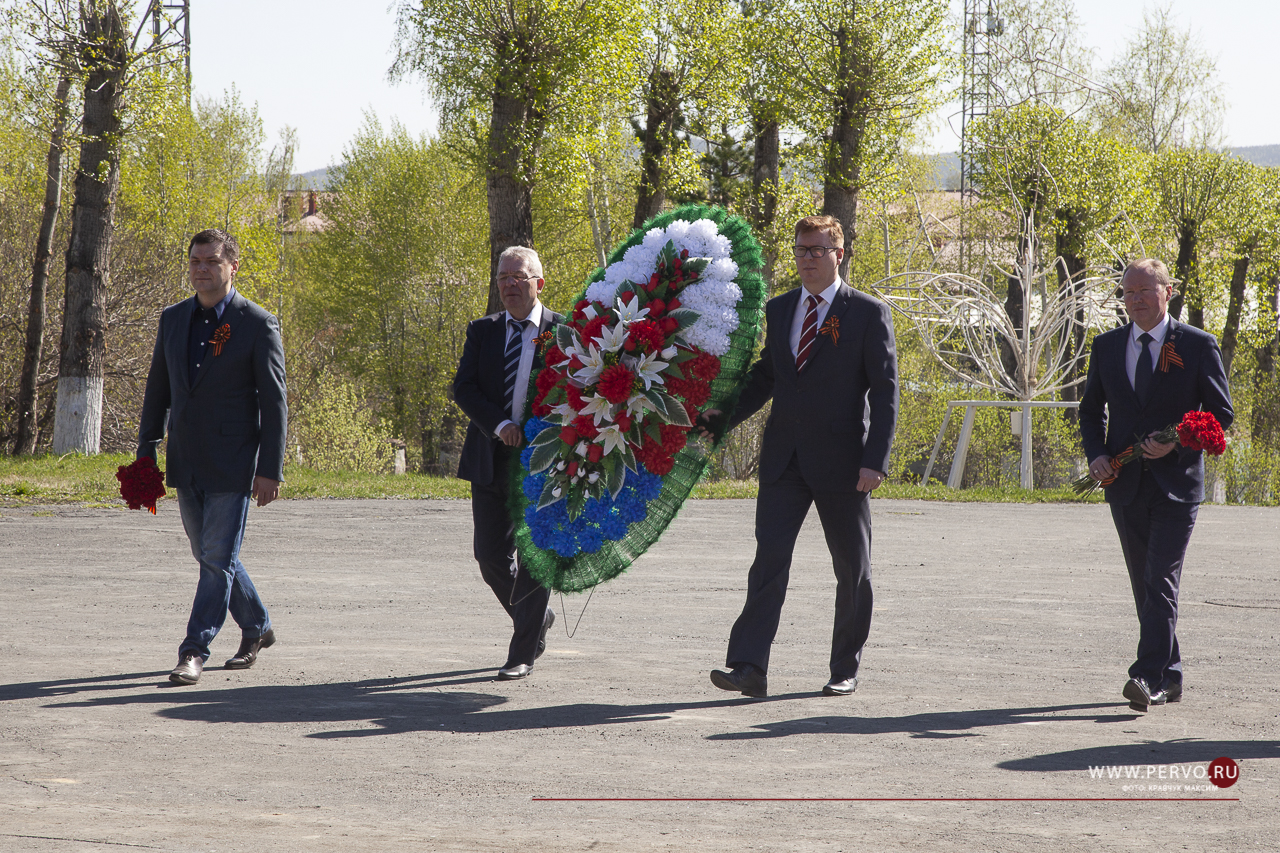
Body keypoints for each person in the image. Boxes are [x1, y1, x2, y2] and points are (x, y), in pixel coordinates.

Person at [705, 215, 898, 698]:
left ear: (839, 254)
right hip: (783, 461)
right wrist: (718, 417)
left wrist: (875, 460)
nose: (806, 258)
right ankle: (749, 667)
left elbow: (886, 391)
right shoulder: (780, 309)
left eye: (816, 250)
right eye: (800, 250)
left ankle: (844, 667)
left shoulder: (868, 314)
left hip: (845, 464)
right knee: (767, 562)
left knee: (852, 570)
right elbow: (767, 376)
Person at [1079, 258, 1233, 711]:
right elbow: (1091, 412)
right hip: (1124, 484)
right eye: (1128, 292)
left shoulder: (1197, 345)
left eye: (1145, 291)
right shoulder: (1106, 346)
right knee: (1145, 584)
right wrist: (1098, 456)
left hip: (1176, 486)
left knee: (1160, 578)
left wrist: (1177, 446)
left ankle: (1145, 677)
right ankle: (1170, 675)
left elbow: (1220, 416)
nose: (1136, 300)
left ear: (1169, 291)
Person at [138, 229, 288, 686]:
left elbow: (274, 401)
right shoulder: (173, 319)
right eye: (195, 261)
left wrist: (269, 469)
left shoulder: (257, 323)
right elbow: (157, 390)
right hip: (186, 459)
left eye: (211, 261)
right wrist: (147, 452)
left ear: (232, 267)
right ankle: (258, 627)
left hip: (235, 462)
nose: (201, 269)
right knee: (209, 555)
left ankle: (193, 650)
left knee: (217, 558)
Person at [453, 247, 562, 680]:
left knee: (536, 556)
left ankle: (522, 653)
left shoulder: (565, 333)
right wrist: (498, 425)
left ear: (539, 282)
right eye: (502, 278)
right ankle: (537, 618)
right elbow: (464, 389)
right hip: (491, 457)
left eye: (518, 277)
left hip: (545, 463)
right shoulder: (482, 331)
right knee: (490, 556)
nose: (509, 285)